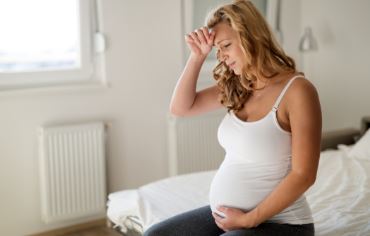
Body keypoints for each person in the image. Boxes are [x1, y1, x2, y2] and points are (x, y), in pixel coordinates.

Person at [144, 0, 321, 235]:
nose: (222, 56)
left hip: (283, 224)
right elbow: (180, 109)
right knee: (155, 234)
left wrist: (248, 220)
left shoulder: (298, 91)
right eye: (218, 49)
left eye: (226, 45)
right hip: (229, 218)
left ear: (251, 37)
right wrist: (197, 57)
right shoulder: (238, 84)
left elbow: (304, 175)